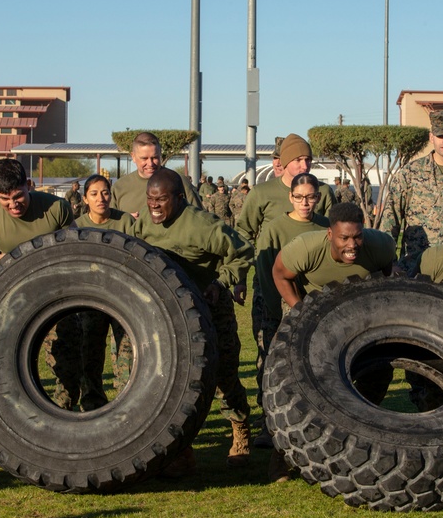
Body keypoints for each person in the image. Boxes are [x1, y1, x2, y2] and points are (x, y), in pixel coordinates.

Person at [131, 168, 254, 475]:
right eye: (150, 200)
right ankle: (180, 449)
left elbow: (242, 252)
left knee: (224, 374)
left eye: (161, 199)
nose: (155, 206)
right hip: (169, 314)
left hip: (210, 307)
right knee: (174, 381)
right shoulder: (144, 224)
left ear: (180, 198)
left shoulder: (202, 225)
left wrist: (220, 282)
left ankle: (239, 428)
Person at [271, 201, 397, 480]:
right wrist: (300, 310)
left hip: (356, 312)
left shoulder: (381, 245)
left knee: (378, 372)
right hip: (308, 306)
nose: (352, 244)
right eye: (344, 238)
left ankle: (355, 441)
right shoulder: (306, 248)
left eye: (357, 236)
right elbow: (280, 274)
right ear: (330, 235)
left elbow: (388, 275)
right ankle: (282, 456)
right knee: (291, 379)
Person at [0, 158, 76, 466]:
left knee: (65, 369)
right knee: (2, 375)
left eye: (18, 197)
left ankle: (62, 436)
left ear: (29, 186)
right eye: (5, 200)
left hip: (57, 299)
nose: (13, 205)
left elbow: (77, 252)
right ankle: (4, 444)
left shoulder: (56, 209)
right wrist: (14, 258)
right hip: (10, 304)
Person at [251, 173, 329, 448]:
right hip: (274, 305)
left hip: (313, 305)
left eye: (310, 197)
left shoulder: (326, 227)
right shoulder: (275, 228)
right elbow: (264, 272)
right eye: (299, 197)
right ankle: (267, 425)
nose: (304, 203)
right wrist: (272, 311)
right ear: (290, 197)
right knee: (270, 364)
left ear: (318, 198)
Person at [378, 109, 443, 274]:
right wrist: (389, 263)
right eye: (440, 136)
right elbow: (390, 220)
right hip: (414, 267)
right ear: (431, 137)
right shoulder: (410, 173)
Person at [71, 174, 135, 409]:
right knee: (90, 353)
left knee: (126, 353)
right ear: (85, 198)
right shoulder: (77, 226)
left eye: (105, 193)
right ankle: (92, 404)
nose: (101, 198)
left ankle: (127, 404)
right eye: (95, 194)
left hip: (123, 298)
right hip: (91, 300)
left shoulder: (125, 222)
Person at [110, 132, 202, 216]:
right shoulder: (119, 188)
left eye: (154, 158)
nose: (150, 164)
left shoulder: (179, 182)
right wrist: (126, 220)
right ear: (133, 157)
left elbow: (200, 219)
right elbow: (110, 224)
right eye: (144, 158)